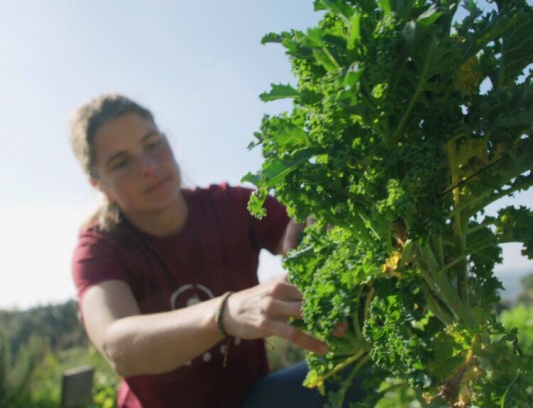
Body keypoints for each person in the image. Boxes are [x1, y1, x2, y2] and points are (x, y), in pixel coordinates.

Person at [68, 93, 348, 407]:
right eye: (121, 162)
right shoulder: (99, 249)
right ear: (99, 184)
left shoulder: (230, 206)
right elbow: (117, 345)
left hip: (253, 400)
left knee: (359, 369)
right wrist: (224, 313)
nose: (147, 166)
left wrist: (325, 223)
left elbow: (307, 233)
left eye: (151, 144)